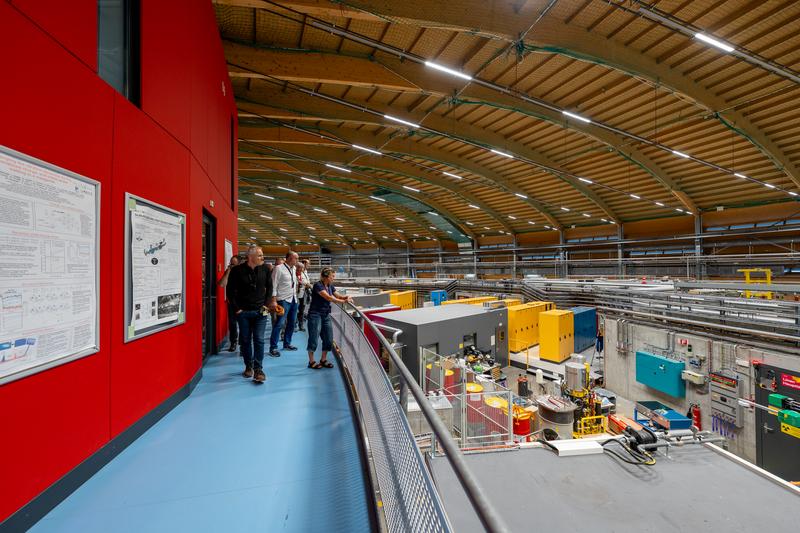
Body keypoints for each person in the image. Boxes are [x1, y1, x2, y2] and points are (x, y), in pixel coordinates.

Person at [228, 245, 275, 383]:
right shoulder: (237, 270)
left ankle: (258, 369)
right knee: (245, 340)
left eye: (262, 255)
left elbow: (270, 288)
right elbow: (230, 291)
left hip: (261, 311)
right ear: (250, 257)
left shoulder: (265, 269)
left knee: (259, 339)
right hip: (243, 312)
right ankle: (248, 366)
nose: (262, 257)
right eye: (259, 255)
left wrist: (266, 305)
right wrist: (237, 309)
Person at [307, 268, 351, 369]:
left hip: (325, 314)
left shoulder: (330, 285)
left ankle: (323, 360)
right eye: (332, 276)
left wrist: (346, 297)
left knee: (328, 339)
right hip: (315, 314)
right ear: (326, 277)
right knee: (314, 338)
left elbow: (338, 296)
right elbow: (328, 297)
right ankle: (311, 361)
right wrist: (343, 302)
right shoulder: (318, 285)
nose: (333, 278)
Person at [270, 251, 300, 356]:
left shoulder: (294, 268)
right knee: (279, 324)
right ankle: (273, 347)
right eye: (296, 258)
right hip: (283, 300)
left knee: (292, 323)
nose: (297, 260)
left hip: (294, 299)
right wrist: (273, 300)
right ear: (289, 258)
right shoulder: (278, 268)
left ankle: (287, 343)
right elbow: (273, 285)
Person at [218, 255, 240, 352]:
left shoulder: (243, 272)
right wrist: (228, 272)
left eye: (233, 264)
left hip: (243, 303)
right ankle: (233, 342)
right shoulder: (228, 272)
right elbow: (222, 284)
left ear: (239, 264)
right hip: (231, 302)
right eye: (230, 263)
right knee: (232, 323)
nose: (231, 265)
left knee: (244, 324)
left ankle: (243, 344)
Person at [296, 261, 312, 331]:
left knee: (301, 310)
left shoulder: (304, 273)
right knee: (294, 310)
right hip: (295, 294)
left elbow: (306, 282)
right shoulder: (294, 273)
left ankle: (301, 325)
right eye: (300, 268)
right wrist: (305, 284)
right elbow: (303, 282)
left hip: (303, 293)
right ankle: (294, 325)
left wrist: (307, 285)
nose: (301, 269)